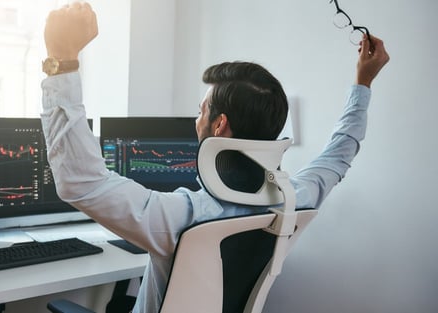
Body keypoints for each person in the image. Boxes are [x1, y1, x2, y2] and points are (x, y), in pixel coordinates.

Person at [40, 2, 389, 313]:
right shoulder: (296, 198)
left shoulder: (182, 217)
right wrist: (363, 82)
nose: (196, 119)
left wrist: (62, 62)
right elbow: (341, 151)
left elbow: (80, 182)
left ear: (220, 124)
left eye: (201, 110)